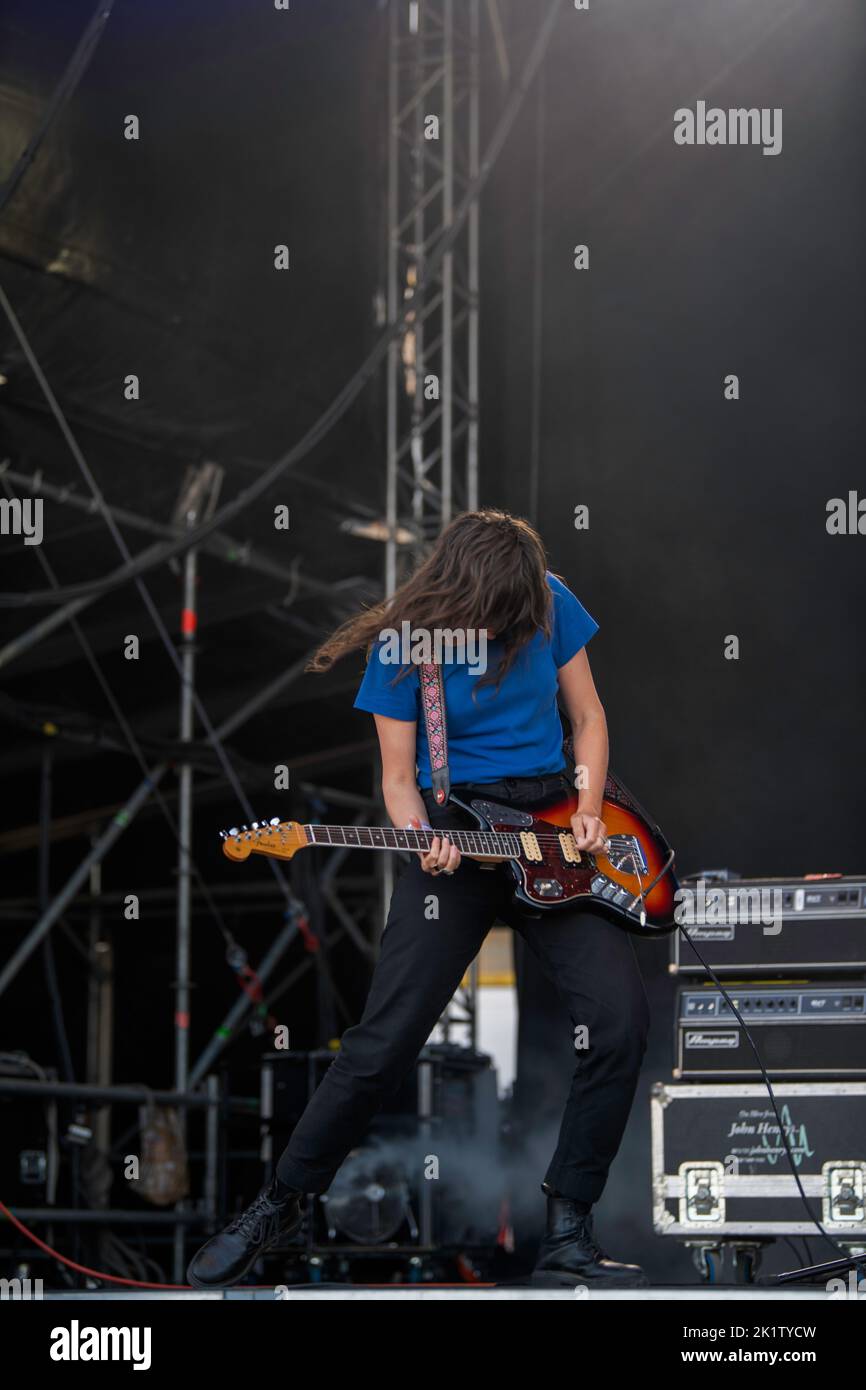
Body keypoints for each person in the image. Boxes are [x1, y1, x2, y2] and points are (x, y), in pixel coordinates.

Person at [187, 509, 650, 1289]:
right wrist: (420, 836)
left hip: (551, 826)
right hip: (455, 831)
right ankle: (278, 1202)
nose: (515, 624)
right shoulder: (406, 642)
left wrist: (592, 807)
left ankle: (568, 1231)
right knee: (383, 1042)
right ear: (465, 594)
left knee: (620, 1024)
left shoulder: (548, 596)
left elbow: (589, 716)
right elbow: (399, 779)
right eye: (501, 613)